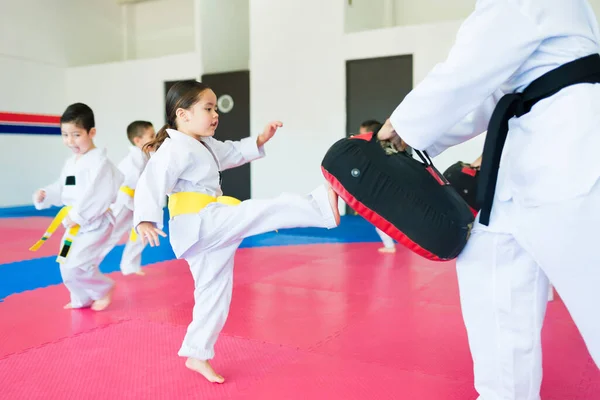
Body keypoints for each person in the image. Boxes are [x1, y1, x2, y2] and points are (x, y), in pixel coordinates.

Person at [377, 1, 600, 398]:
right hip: (517, 155)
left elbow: (469, 68)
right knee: (491, 275)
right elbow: (486, 92)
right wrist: (407, 135)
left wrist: (398, 127)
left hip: (571, 144)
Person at [133, 80, 340, 384]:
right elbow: (151, 181)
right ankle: (318, 206)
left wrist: (259, 139)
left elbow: (230, 153)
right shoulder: (173, 147)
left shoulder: (203, 144)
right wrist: (145, 219)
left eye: (215, 108)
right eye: (208, 108)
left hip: (203, 227)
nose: (215, 114)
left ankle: (197, 352)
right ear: (183, 114)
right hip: (200, 221)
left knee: (214, 292)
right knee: (257, 211)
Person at [31, 103, 123, 311]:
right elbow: (63, 187)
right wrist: (46, 194)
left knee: (78, 264)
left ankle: (103, 289)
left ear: (92, 132)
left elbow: (100, 194)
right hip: (74, 225)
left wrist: (79, 215)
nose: (70, 141)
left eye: (76, 134)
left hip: (95, 224)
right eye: (65, 135)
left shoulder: (100, 163)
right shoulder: (72, 162)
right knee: (65, 262)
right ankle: (82, 298)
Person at [97, 120, 156, 276]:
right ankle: (89, 265)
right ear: (137, 140)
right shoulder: (131, 161)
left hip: (137, 203)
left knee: (141, 233)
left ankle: (130, 266)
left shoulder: (146, 156)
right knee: (112, 234)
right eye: (151, 135)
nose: (155, 138)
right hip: (124, 200)